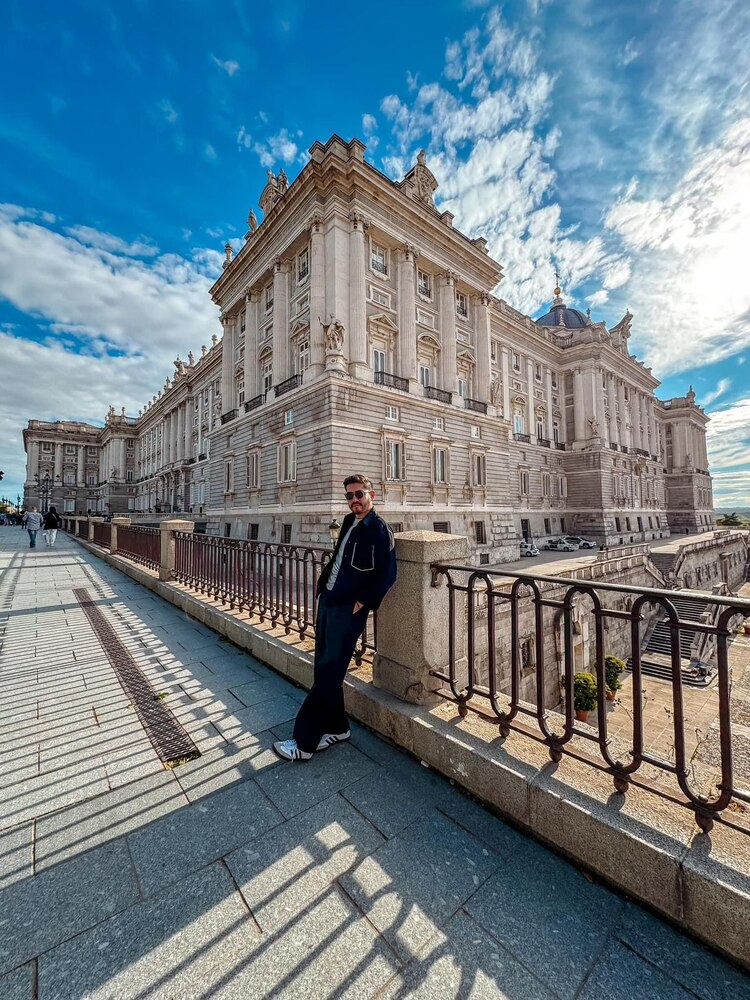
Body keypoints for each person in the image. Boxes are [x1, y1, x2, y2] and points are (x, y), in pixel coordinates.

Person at [273, 474, 397, 761]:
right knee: (324, 666)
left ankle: (304, 744)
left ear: (371, 495)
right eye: (349, 496)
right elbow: (339, 556)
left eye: (359, 495)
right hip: (329, 600)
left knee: (329, 672)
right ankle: (338, 728)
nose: (354, 500)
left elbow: (387, 574)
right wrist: (323, 583)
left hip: (348, 608)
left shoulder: (379, 530)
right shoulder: (346, 522)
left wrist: (362, 602)